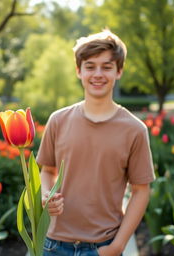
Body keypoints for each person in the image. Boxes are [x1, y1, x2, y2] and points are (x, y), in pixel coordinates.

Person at [36, 29, 155, 256]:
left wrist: (118, 246)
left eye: (107, 67)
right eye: (90, 66)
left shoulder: (135, 130)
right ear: (78, 71)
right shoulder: (58, 120)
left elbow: (141, 191)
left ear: (119, 71)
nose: (98, 74)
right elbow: (47, 171)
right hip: (52, 245)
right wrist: (45, 195)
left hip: (104, 246)